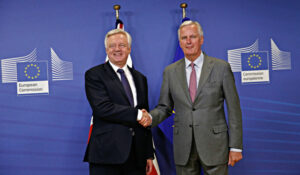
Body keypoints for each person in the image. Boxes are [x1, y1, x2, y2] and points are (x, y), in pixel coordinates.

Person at [141, 20, 243, 175]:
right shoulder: (170, 72)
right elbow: (164, 107)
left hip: (215, 146)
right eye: (184, 38)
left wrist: (236, 146)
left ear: (201, 39)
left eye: (193, 37)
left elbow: (234, 109)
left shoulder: (221, 67)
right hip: (184, 148)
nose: (188, 41)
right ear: (180, 43)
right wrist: (149, 116)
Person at [84, 29, 154, 175]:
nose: (117, 49)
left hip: (137, 156)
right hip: (107, 155)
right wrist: (137, 115)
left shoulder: (140, 78)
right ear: (106, 50)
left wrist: (148, 153)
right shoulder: (94, 75)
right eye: (112, 46)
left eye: (122, 45)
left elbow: (145, 116)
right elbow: (103, 108)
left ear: (129, 48)